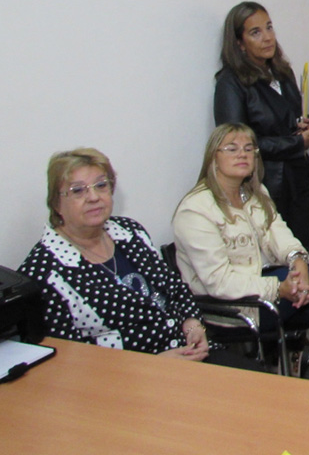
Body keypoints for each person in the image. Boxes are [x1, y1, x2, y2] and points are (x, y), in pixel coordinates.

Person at [18, 148, 259, 370]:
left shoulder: (129, 232)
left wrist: (193, 324)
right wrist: (152, 364)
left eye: (101, 185)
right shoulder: (44, 272)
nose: (93, 197)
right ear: (56, 203)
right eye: (78, 190)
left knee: (260, 386)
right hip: (126, 378)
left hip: (190, 353)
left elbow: (175, 288)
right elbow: (66, 359)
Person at [173, 124, 309, 336]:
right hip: (233, 308)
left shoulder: (256, 194)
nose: (242, 154)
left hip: (266, 287)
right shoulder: (195, 209)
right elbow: (220, 283)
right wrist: (278, 289)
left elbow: (281, 236)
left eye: (249, 149)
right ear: (213, 157)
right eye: (232, 149)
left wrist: (299, 263)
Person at [214, 1, 309, 246]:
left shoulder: (283, 72)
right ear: (239, 43)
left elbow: (290, 118)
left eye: (269, 27)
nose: (267, 37)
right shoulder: (231, 83)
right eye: (255, 32)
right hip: (264, 185)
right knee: (275, 253)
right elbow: (236, 144)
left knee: (300, 250)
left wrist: (307, 126)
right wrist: (295, 143)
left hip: (297, 179)